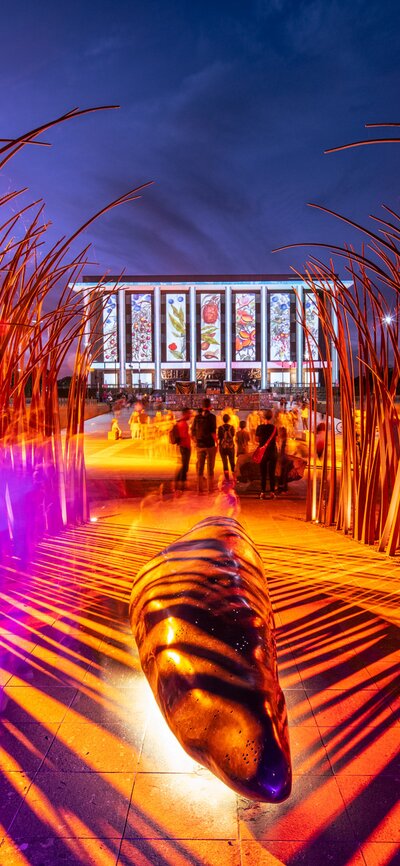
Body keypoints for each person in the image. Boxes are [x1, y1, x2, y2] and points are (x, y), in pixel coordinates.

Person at [192, 397, 217, 493]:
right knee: (210, 468)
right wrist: (217, 443)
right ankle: (210, 489)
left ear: (202, 407)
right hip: (210, 445)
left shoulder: (197, 418)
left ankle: (199, 490)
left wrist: (196, 442)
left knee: (200, 468)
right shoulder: (212, 417)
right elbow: (213, 432)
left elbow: (193, 432)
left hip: (200, 445)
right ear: (210, 406)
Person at [255, 409, 278, 499]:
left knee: (263, 473)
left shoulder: (259, 427)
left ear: (263, 417)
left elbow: (256, 440)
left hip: (263, 453)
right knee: (272, 473)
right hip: (272, 452)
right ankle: (272, 492)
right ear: (271, 417)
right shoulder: (274, 428)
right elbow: (276, 440)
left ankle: (262, 492)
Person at [174, 406, 192, 491]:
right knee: (185, 466)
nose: (190, 415)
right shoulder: (183, 424)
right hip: (185, 447)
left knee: (185, 466)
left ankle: (181, 482)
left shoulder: (182, 422)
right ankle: (179, 482)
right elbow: (183, 436)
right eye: (189, 413)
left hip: (184, 446)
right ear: (185, 414)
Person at [218, 413, 236, 480]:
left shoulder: (220, 428)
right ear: (229, 420)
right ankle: (234, 477)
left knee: (224, 463)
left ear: (223, 420)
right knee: (232, 462)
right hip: (231, 447)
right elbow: (233, 435)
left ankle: (227, 478)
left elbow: (219, 437)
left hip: (222, 447)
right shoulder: (232, 427)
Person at [276, 427, 290, 494]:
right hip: (281, 459)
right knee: (281, 475)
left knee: (283, 474)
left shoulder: (284, 440)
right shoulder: (281, 440)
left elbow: (284, 450)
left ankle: (283, 489)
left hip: (283, 459)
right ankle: (282, 488)